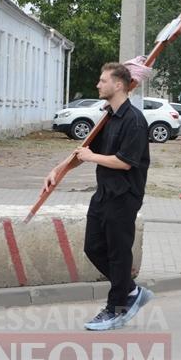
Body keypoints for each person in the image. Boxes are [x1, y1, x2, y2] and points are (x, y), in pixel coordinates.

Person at [44, 62, 153, 331]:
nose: (98, 85)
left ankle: (116, 307)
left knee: (118, 253)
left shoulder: (134, 121)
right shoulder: (108, 117)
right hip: (104, 193)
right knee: (92, 247)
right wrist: (58, 170)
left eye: (103, 81)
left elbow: (125, 162)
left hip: (125, 195)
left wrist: (92, 157)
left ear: (118, 85)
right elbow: (85, 151)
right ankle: (129, 290)